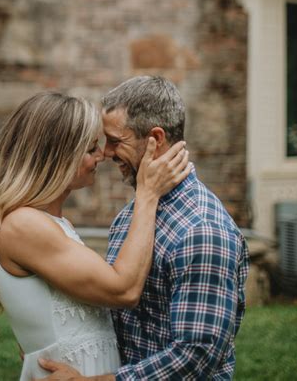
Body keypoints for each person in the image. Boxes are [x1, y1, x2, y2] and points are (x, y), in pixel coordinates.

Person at [0, 90, 190, 380]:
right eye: (90, 149)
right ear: (57, 157)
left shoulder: (49, 223)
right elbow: (124, 289)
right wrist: (148, 194)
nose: (102, 156)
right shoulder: (23, 225)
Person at [39, 76, 249, 380]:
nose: (106, 153)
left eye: (115, 141)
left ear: (156, 139)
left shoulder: (202, 231)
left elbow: (195, 355)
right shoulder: (132, 215)